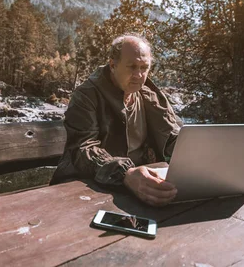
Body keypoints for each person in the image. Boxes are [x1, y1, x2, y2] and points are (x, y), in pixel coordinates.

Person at [50, 34, 182, 206]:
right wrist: (126, 173)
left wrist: (197, 154)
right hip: (92, 186)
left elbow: (172, 136)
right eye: (132, 67)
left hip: (142, 187)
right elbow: (83, 149)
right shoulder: (87, 95)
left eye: (144, 67)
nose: (139, 75)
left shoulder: (151, 95)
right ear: (113, 65)